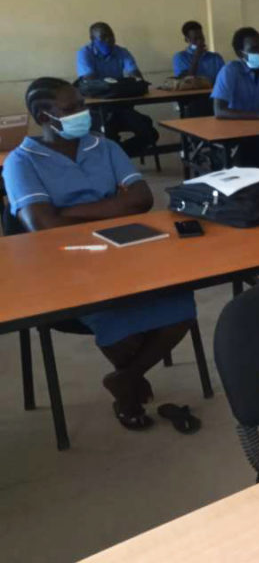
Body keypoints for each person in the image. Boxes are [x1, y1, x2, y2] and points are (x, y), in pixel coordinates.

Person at [5, 77, 198, 431]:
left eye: (81, 104)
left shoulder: (103, 146)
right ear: (43, 116)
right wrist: (112, 205)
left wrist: (69, 213)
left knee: (181, 306)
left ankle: (124, 379)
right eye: (71, 108)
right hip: (64, 263)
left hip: (126, 250)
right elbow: (43, 226)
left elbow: (142, 199)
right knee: (121, 330)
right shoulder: (22, 162)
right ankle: (129, 388)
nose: (83, 113)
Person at [76, 21, 159, 157]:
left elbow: (136, 76)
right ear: (92, 39)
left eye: (111, 35)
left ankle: (119, 155)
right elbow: (90, 80)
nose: (109, 40)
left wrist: (115, 85)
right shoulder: (84, 53)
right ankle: (115, 159)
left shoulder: (121, 52)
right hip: (97, 111)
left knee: (149, 132)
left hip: (121, 107)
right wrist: (120, 84)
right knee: (107, 136)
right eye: (103, 37)